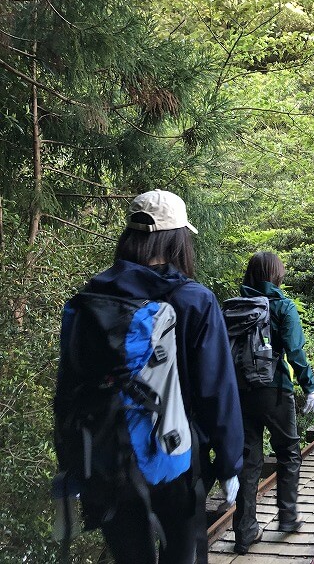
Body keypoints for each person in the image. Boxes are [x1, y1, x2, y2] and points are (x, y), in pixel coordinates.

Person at [54, 189, 243, 564]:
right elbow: (216, 391)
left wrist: (72, 465)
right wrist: (230, 464)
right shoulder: (194, 299)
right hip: (176, 459)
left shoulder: (90, 300)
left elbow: (67, 392)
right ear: (179, 240)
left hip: (105, 459)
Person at [232, 252, 314, 553]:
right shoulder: (282, 306)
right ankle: (287, 517)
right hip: (275, 390)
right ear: (276, 274)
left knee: (249, 460)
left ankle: (244, 532)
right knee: (288, 452)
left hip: (240, 392)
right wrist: (310, 387)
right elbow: (295, 351)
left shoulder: (232, 307)